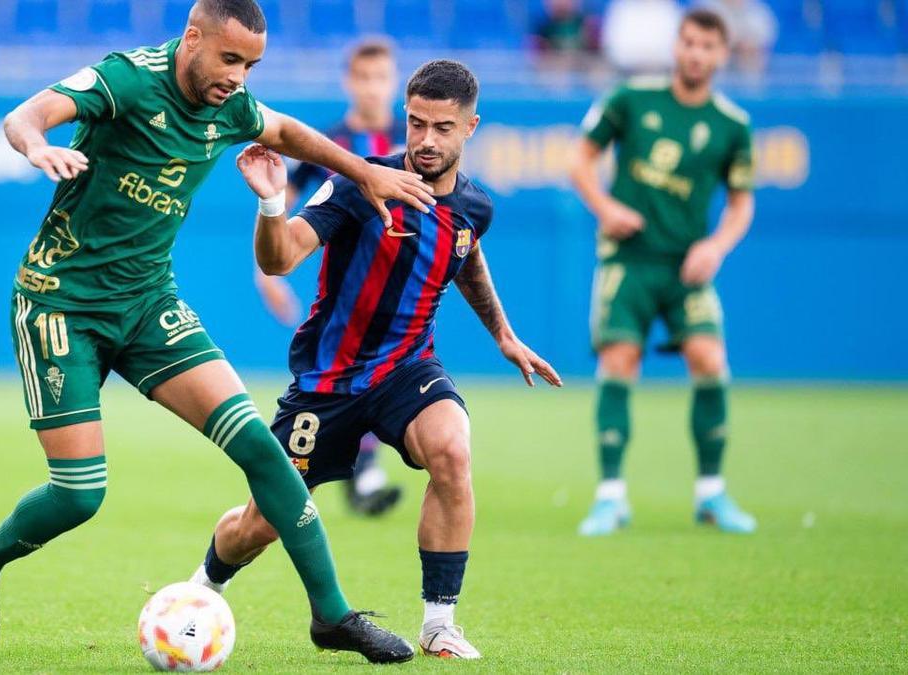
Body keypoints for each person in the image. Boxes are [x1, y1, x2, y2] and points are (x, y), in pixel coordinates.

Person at [0, 0, 437, 664]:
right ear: (193, 38)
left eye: (252, 65)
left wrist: (365, 170)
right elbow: (24, 116)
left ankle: (332, 616)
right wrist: (38, 148)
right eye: (230, 58)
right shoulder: (126, 80)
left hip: (149, 303)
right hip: (61, 305)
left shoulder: (230, 106)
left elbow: (289, 132)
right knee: (80, 494)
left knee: (264, 453)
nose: (239, 77)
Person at [190, 60, 562, 660]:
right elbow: (280, 259)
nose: (426, 140)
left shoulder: (475, 207)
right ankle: (202, 589)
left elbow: (463, 252)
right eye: (416, 124)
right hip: (327, 381)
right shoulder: (360, 182)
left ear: (471, 127)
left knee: (452, 449)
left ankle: (440, 622)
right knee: (259, 523)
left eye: (443, 128)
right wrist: (268, 205)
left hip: (407, 370)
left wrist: (504, 333)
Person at [569, 8, 757, 536]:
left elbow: (742, 204)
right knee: (619, 362)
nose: (696, 54)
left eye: (708, 47)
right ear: (677, 46)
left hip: (686, 267)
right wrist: (605, 208)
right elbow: (579, 159)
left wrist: (716, 245)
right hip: (627, 260)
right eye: (690, 43)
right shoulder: (632, 99)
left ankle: (711, 494)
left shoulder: (733, 125)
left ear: (722, 55)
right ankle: (610, 497)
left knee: (710, 360)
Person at [255, 38, 407, 518]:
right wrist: (268, 277)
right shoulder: (327, 146)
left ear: (394, 82)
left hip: (402, 286)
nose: (371, 88)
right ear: (349, 82)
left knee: (386, 373)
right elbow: (278, 203)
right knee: (344, 374)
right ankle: (351, 476)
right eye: (363, 78)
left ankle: (359, 475)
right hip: (342, 289)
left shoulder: (411, 142)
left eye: (380, 78)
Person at [601, 0, 682, 74]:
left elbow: (676, 48)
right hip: (626, 73)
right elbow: (613, 49)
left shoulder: (670, 9)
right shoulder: (622, 8)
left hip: (663, 72)